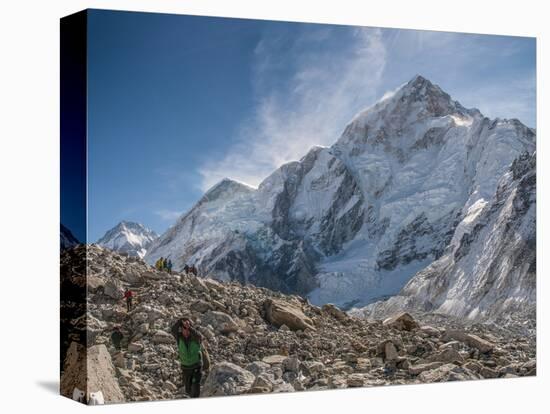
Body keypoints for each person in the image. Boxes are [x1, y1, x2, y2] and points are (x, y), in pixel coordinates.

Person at [170, 318, 210, 398]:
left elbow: (199, 336)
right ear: (181, 329)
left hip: (196, 365)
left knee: (196, 385)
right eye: (184, 329)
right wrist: (180, 320)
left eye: (188, 329)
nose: (186, 331)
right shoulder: (179, 337)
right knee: (188, 389)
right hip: (185, 367)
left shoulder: (195, 337)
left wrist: (189, 327)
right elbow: (173, 330)